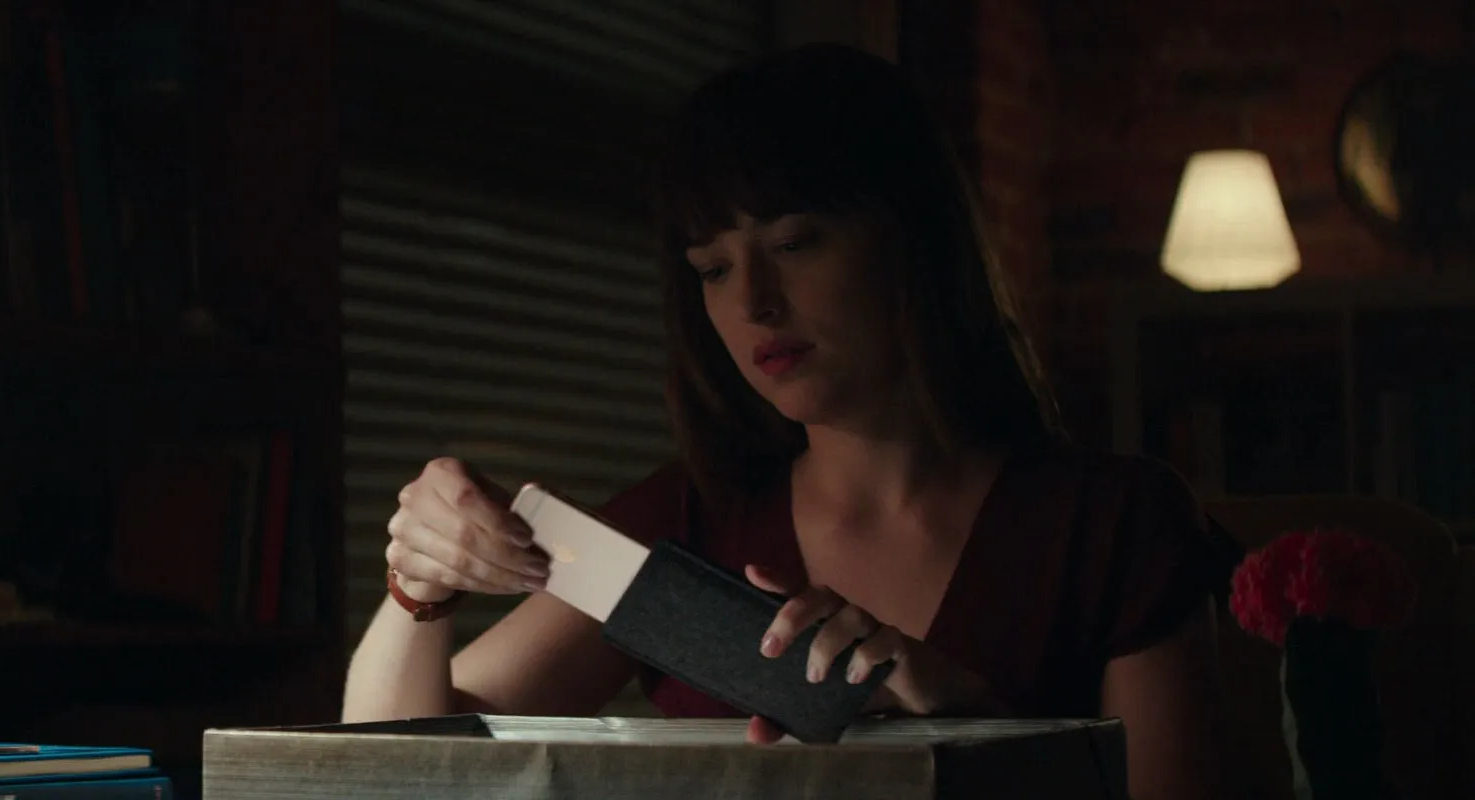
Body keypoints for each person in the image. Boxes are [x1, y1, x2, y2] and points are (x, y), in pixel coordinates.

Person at [343, 43, 1234, 800]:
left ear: (911, 236)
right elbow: (390, 772)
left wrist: (980, 733)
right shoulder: (682, 524)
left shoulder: (1114, 523)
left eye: (796, 244)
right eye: (713, 269)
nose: (755, 304)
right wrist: (417, 588)